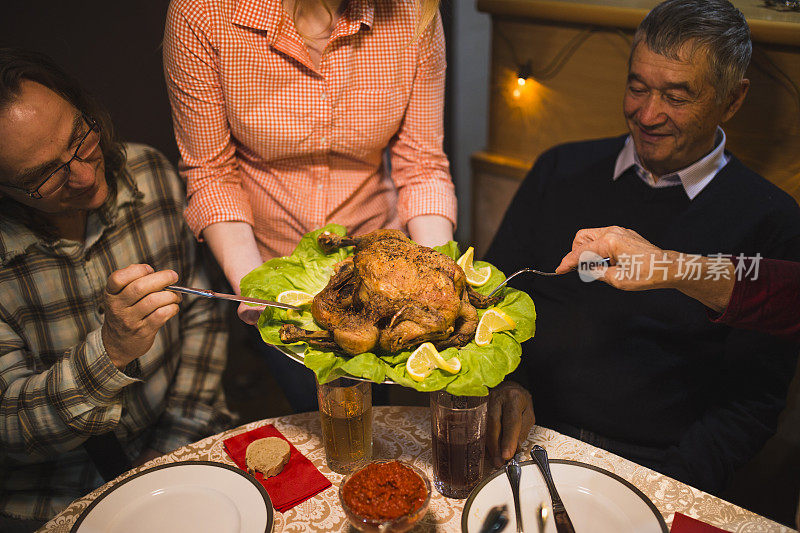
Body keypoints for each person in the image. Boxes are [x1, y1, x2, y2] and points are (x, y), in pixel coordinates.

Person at [483, 0, 800, 501]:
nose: (648, 114)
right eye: (637, 87)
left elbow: (750, 404)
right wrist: (506, 387)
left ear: (732, 100)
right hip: (526, 438)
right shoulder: (559, 169)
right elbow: (493, 301)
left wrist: (669, 487)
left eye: (677, 97)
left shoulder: (771, 221)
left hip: (655, 469)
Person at [163, 0, 457, 412]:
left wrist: (436, 273)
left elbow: (422, 164)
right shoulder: (204, 12)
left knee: (371, 409)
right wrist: (254, 285)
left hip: (378, 264)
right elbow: (212, 172)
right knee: (309, 409)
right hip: (272, 266)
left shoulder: (413, 9)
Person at [0, 48, 232, 530]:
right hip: (52, 493)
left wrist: (171, 450)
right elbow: (10, 433)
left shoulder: (149, 172)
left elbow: (202, 321)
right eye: (43, 176)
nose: (84, 175)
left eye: (80, 138)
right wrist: (110, 353)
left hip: (183, 443)